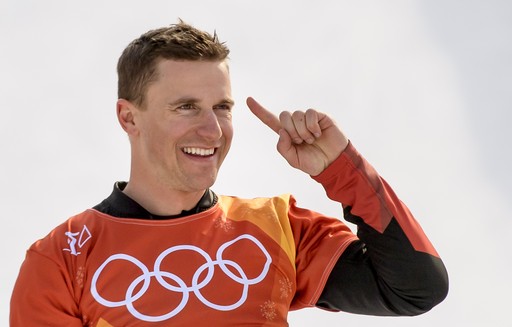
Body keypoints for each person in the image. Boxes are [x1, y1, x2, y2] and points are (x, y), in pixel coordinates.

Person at [10, 21, 448, 326]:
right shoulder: (61, 260)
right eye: (186, 107)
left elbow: (416, 288)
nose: (213, 129)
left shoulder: (276, 227)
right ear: (129, 118)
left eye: (222, 107)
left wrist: (341, 170)